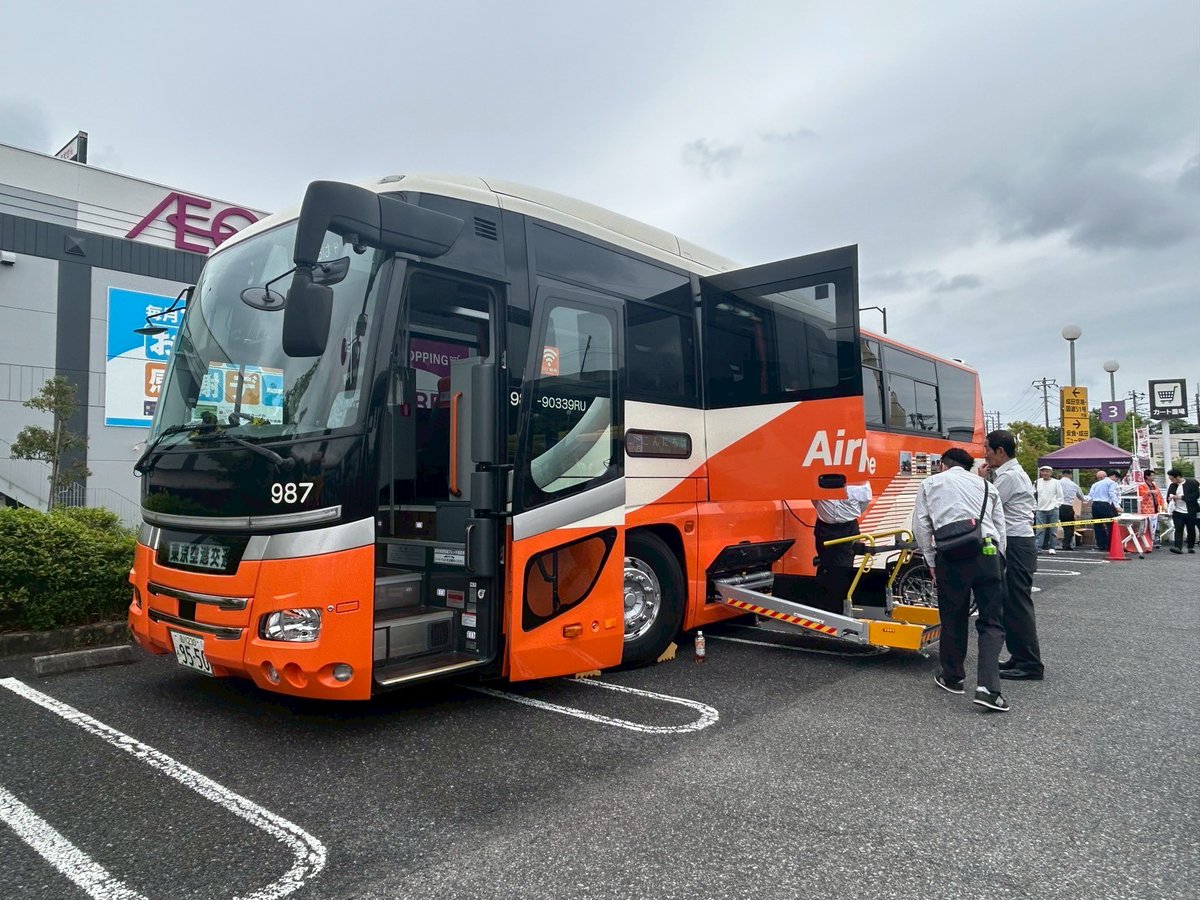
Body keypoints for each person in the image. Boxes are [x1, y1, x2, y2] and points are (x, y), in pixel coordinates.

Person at [913, 447, 1009, 712]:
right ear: (967, 467)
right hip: (988, 552)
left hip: (951, 557)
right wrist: (999, 560)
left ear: (943, 465)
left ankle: (953, 677)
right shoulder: (987, 486)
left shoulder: (930, 482)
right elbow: (1000, 526)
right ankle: (989, 689)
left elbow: (921, 526)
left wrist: (931, 561)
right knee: (991, 621)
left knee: (953, 615)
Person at [985, 429, 1044, 682]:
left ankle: (1030, 664)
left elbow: (987, 504)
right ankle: (1018, 657)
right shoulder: (1009, 474)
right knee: (1010, 603)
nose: (984, 453)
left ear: (1000, 451)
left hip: (1017, 543)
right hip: (1016, 541)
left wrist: (981, 481)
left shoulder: (1009, 477)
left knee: (1018, 604)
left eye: (987, 448)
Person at [813, 482, 873, 605]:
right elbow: (814, 498)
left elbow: (864, 502)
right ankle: (825, 602)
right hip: (825, 528)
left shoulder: (859, 480)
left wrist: (844, 516)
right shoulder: (821, 476)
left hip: (847, 529)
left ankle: (840, 603)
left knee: (844, 568)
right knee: (825, 566)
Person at [1165, 468, 1200, 554]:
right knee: (1178, 528)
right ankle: (1178, 547)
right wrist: (1170, 499)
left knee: (1191, 529)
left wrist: (1181, 497)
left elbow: (1196, 495)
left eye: (1172, 479)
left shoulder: (1191, 483)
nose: (1172, 481)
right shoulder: (1172, 486)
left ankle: (1190, 546)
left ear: (1177, 477)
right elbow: (1168, 497)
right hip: (1177, 511)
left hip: (1190, 510)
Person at [1086, 469, 1118, 551]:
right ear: (1105, 476)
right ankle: (1110, 544)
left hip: (1095, 505)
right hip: (1105, 505)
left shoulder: (1095, 484)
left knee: (1098, 526)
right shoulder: (1111, 483)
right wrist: (1117, 506)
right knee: (1110, 525)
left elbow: (1090, 496)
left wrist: (1084, 500)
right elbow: (1112, 494)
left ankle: (1101, 544)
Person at [1034, 465, 1063, 554]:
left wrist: (1056, 505)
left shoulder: (1056, 482)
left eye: (1047, 471)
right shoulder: (1036, 482)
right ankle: (1038, 547)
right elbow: (1032, 495)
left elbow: (1060, 496)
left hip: (1053, 509)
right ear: (1040, 472)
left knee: (1053, 530)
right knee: (1039, 530)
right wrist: (1035, 507)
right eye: (1043, 471)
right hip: (1040, 509)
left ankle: (1052, 547)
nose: (1045, 473)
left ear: (1051, 473)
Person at [1057, 469, 1082, 550]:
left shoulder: (1057, 483)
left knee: (1051, 525)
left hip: (1056, 506)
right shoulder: (1074, 485)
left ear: (1062, 474)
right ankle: (1066, 544)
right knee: (1069, 527)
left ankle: (1048, 544)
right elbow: (1081, 497)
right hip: (1068, 507)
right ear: (1070, 475)